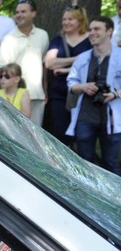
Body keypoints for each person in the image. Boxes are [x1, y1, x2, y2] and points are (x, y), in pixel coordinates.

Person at [67, 16, 121, 176]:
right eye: (90, 29)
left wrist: (115, 94)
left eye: (96, 29)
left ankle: (115, 192)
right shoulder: (83, 57)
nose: (91, 33)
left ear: (109, 31)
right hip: (86, 115)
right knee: (84, 163)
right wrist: (83, 86)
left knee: (111, 163)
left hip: (112, 116)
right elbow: (71, 83)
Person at [0, 0, 49, 126]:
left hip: (37, 95)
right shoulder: (9, 38)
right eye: (17, 12)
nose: (19, 15)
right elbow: (2, 70)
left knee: (36, 134)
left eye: (23, 11)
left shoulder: (43, 35)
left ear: (33, 13)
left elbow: (44, 65)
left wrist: (45, 90)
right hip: (14, 97)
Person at [45, 5, 91, 146]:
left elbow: (91, 64)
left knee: (83, 135)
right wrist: (78, 59)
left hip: (83, 94)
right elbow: (49, 63)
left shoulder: (90, 39)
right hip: (59, 93)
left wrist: (64, 68)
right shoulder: (58, 40)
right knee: (60, 132)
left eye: (70, 19)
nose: (66, 22)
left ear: (80, 21)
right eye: (64, 19)